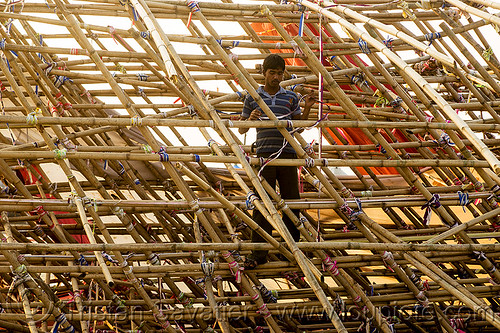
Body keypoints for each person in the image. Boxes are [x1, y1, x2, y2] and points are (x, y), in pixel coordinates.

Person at [239, 54, 315, 269]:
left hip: (287, 155)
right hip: (264, 156)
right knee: (262, 204)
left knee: (292, 201)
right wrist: (250, 119)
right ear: (264, 73)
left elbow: (298, 126)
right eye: (272, 73)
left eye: (279, 73)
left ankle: (292, 248)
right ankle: (259, 252)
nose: (276, 77)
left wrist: (307, 108)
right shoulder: (253, 97)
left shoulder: (290, 98)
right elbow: (242, 128)